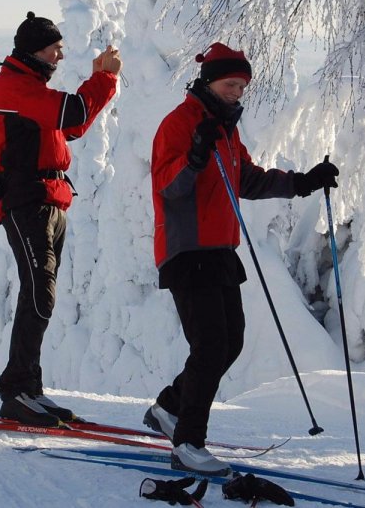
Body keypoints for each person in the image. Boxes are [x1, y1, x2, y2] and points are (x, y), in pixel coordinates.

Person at [145, 42, 340, 475]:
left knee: (230, 343)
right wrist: (195, 157)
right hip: (186, 250)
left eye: (242, 86)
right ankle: (188, 443)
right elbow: (168, 186)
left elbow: (246, 179)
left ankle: (169, 409)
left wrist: (304, 182)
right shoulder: (179, 124)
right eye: (231, 84)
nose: (238, 92)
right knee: (211, 344)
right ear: (210, 81)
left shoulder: (225, 129)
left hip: (219, 251)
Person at [0, 11, 121, 427]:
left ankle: (29, 388)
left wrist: (98, 85)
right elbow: (73, 112)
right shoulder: (13, 87)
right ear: (34, 49)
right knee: (39, 292)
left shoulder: (29, 87)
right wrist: (106, 78)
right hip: (27, 201)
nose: (61, 55)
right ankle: (15, 391)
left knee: (38, 294)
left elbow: (71, 129)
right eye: (55, 48)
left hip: (49, 200)